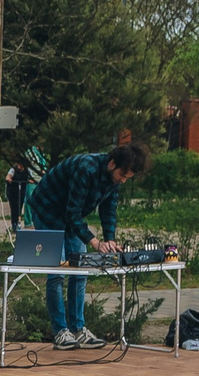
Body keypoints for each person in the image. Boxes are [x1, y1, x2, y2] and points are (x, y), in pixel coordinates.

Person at [22, 144, 150, 350]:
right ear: (112, 164)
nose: (123, 180)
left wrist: (110, 239)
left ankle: (78, 329)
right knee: (56, 271)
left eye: (128, 177)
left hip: (70, 216)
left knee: (80, 271)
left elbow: (109, 209)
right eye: (122, 175)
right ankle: (60, 332)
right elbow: (73, 211)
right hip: (47, 209)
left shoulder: (114, 178)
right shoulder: (86, 168)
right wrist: (94, 241)